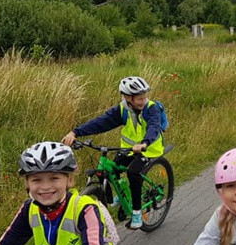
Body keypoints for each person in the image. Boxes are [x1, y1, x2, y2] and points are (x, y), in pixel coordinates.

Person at [62, 76, 168, 230]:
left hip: (149, 149)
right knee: (112, 167)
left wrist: (144, 143)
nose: (143, 101)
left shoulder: (152, 108)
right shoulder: (122, 110)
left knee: (133, 173)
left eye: (144, 97)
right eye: (139, 98)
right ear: (127, 97)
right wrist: (75, 133)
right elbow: (101, 122)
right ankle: (125, 193)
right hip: (128, 149)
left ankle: (137, 214)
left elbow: (154, 126)